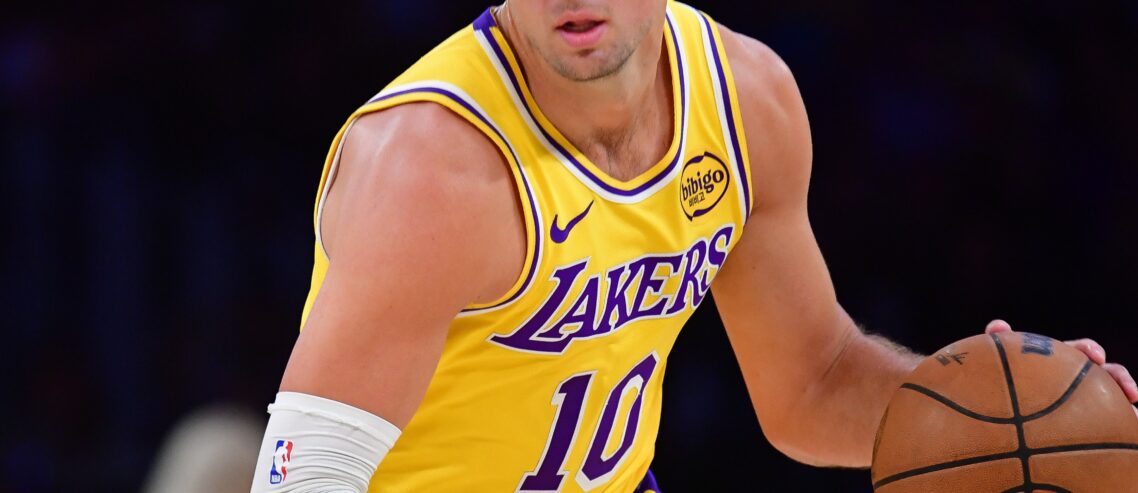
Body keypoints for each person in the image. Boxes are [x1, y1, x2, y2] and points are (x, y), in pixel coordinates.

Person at [250, 1, 1138, 492]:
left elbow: (814, 380)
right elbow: (306, 477)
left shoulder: (746, 100)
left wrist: (992, 409)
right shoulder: (430, 168)